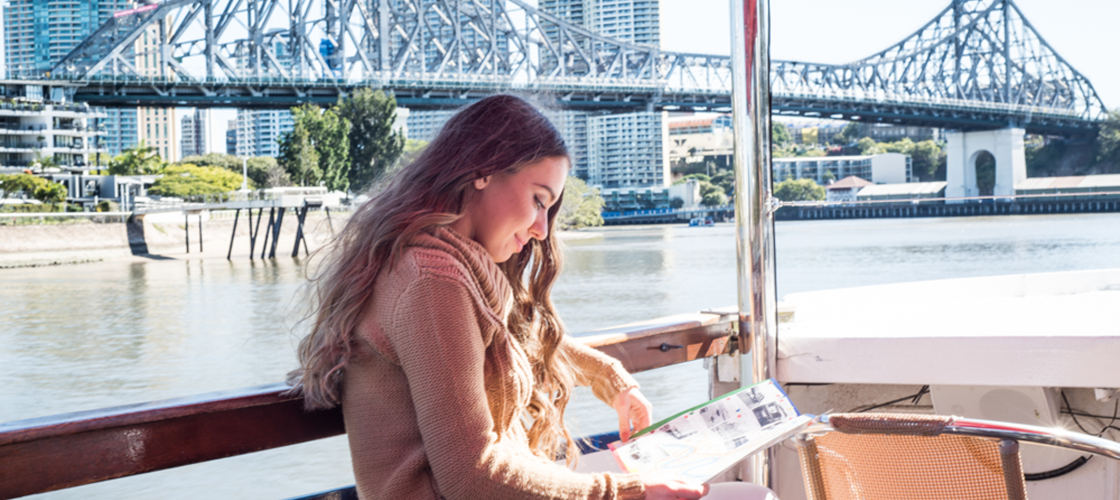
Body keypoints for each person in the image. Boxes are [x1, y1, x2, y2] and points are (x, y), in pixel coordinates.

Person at [287, 94, 709, 499]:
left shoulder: (452, 266)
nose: (543, 229)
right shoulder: (432, 282)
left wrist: (611, 379)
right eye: (538, 200)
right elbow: (473, 478)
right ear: (484, 170)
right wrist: (626, 494)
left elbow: (520, 339)